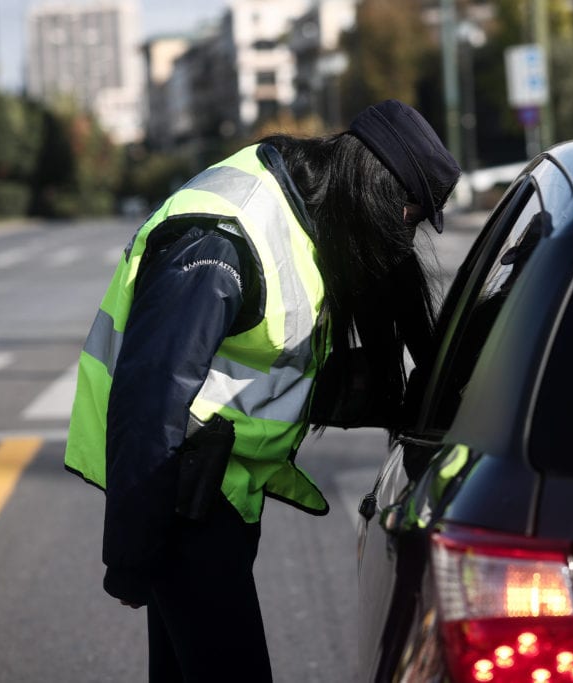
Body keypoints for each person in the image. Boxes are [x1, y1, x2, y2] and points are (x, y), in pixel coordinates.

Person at [63, 99, 461, 682]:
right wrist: (129, 557)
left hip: (218, 491)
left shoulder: (310, 213)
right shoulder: (225, 237)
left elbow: (280, 362)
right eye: (406, 210)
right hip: (179, 495)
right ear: (373, 189)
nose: (405, 228)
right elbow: (149, 398)